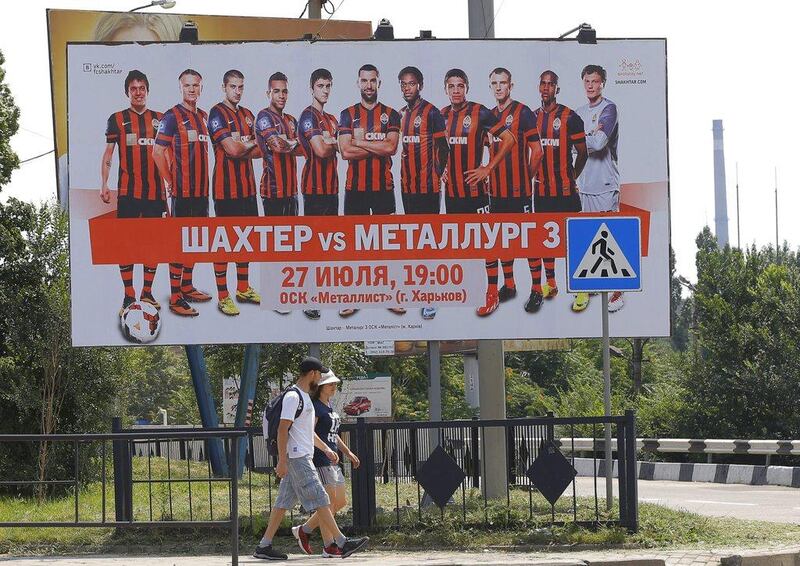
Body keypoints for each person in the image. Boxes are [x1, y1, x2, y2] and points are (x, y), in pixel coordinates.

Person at [253, 357, 369, 560]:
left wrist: (325, 448)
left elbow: (307, 432)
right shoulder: (293, 397)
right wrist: (281, 460)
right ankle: (341, 542)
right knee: (322, 498)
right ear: (313, 374)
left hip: (299, 455)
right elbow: (282, 429)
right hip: (297, 457)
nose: (321, 378)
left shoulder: (304, 397)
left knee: (283, 502)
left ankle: (264, 545)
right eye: (320, 374)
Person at [440, 68, 515, 317]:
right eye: (451, 86)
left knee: (486, 242)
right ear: (446, 89)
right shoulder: (441, 116)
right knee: (458, 245)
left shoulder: (480, 111)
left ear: (467, 88)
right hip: (451, 195)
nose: (456, 91)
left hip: (477, 194)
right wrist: (440, 170)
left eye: (460, 85)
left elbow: (509, 139)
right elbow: (436, 150)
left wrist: (488, 168)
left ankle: (491, 293)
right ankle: (461, 295)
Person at [337, 64, 404, 318]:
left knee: (387, 245)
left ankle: (392, 295)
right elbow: (345, 152)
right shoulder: (347, 114)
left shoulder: (391, 114)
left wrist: (360, 141)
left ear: (379, 82)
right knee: (353, 246)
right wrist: (378, 143)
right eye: (364, 80)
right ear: (358, 83)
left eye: (372, 81)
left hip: (383, 189)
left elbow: (391, 149)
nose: (368, 85)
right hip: (355, 190)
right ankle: (351, 297)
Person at [100, 70, 165, 317]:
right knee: (125, 246)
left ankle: (147, 292)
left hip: (155, 194)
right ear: (127, 92)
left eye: (142, 88)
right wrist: (104, 184)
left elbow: (168, 154)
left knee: (153, 246)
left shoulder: (160, 119)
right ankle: (129, 295)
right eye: (133, 89)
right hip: (128, 193)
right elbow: (108, 154)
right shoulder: (116, 119)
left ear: (147, 90)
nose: (138, 92)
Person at [153, 68, 212, 317]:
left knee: (195, 243)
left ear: (201, 88)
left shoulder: (205, 116)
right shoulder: (171, 116)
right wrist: (170, 181)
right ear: (180, 88)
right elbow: (157, 152)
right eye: (187, 85)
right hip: (182, 193)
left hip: (201, 193)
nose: (191, 89)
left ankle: (187, 286)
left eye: (196, 85)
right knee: (178, 245)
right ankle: (176, 297)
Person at [529, 70, 588, 312]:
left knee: (575, 241)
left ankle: (582, 289)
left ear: (557, 89)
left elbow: (583, 152)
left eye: (550, 84)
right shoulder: (531, 117)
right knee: (544, 242)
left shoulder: (570, 117)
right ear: (538, 87)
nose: (546, 88)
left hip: (566, 193)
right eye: (542, 84)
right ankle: (551, 284)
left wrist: (572, 176)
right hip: (541, 193)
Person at [484, 67, 540, 315]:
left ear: (510, 86)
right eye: (494, 83)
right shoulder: (488, 115)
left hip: (520, 193)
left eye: (503, 83)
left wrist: (525, 179)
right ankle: (509, 285)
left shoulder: (523, 112)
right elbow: (487, 148)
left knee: (528, 242)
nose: (498, 87)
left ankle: (537, 289)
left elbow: (537, 151)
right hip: (495, 193)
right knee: (501, 241)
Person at [397, 65, 449, 320]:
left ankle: (432, 297)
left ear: (420, 85)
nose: (407, 88)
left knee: (429, 243)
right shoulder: (400, 115)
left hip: (428, 188)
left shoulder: (432, 112)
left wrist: (437, 174)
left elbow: (444, 147)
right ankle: (418, 292)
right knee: (414, 243)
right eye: (403, 84)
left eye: (411, 83)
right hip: (407, 188)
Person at [208, 69, 261, 317]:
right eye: (233, 87)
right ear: (224, 87)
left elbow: (260, 150)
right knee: (225, 244)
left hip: (248, 190)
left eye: (241, 87)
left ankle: (243, 288)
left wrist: (243, 146)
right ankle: (222, 296)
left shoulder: (249, 115)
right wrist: (244, 145)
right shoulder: (216, 113)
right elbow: (231, 150)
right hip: (225, 191)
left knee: (246, 242)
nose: (237, 91)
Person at [290, 370, 361, 557]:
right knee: (327, 503)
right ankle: (329, 545)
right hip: (321, 459)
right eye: (330, 384)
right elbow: (309, 431)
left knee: (340, 501)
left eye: (335, 384)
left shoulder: (329, 406)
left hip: (333, 459)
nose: (334, 386)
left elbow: (334, 434)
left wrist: (348, 452)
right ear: (321, 387)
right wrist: (325, 450)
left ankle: (304, 530)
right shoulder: (315, 407)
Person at [575, 64, 624, 312]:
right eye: (587, 81)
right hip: (584, 185)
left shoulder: (609, 108)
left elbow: (598, 142)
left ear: (603, 83)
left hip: (605, 185)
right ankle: (588, 286)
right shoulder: (578, 112)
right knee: (585, 237)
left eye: (595, 81)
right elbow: (574, 146)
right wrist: (585, 136)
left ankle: (617, 292)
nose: (591, 85)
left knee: (608, 238)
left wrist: (580, 138)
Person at [256, 71, 305, 316]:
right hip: (272, 192)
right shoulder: (263, 117)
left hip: (292, 192)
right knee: (275, 247)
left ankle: (289, 294)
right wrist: (292, 142)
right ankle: (274, 296)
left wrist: (291, 142)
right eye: (277, 91)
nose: (281, 95)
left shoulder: (293, 120)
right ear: (269, 93)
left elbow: (296, 148)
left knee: (292, 246)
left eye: (285, 91)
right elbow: (278, 145)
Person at [298, 69, 339, 321]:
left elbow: (343, 148)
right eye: (320, 85)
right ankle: (308, 299)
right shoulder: (307, 116)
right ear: (312, 88)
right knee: (313, 248)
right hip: (314, 190)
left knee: (330, 247)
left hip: (332, 189)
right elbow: (322, 150)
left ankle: (325, 297)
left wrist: (335, 141)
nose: (325, 90)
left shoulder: (332, 119)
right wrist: (336, 141)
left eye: (328, 86)